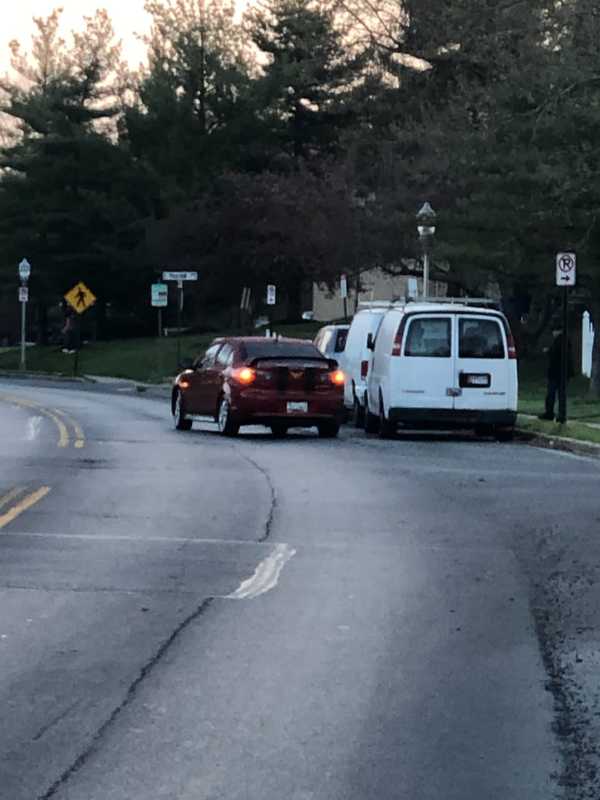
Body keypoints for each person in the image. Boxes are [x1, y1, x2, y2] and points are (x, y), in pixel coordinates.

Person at [539, 326, 573, 420]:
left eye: (554, 331)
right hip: (564, 373)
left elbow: (555, 354)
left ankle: (550, 413)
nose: (553, 334)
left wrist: (548, 351)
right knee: (562, 395)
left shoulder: (559, 341)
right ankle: (561, 414)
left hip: (556, 373)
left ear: (557, 331)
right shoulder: (566, 340)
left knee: (551, 393)